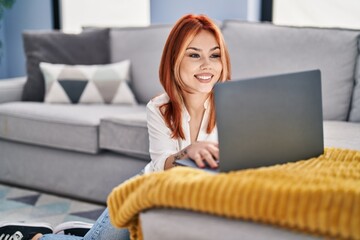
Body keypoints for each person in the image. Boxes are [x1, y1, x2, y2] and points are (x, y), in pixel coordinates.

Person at [0, 13, 231, 240]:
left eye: (215, 56)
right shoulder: (159, 108)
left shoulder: (232, 104)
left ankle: (83, 234)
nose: (207, 66)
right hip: (142, 194)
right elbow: (162, 165)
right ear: (175, 59)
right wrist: (188, 151)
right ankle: (34, 237)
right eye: (194, 55)